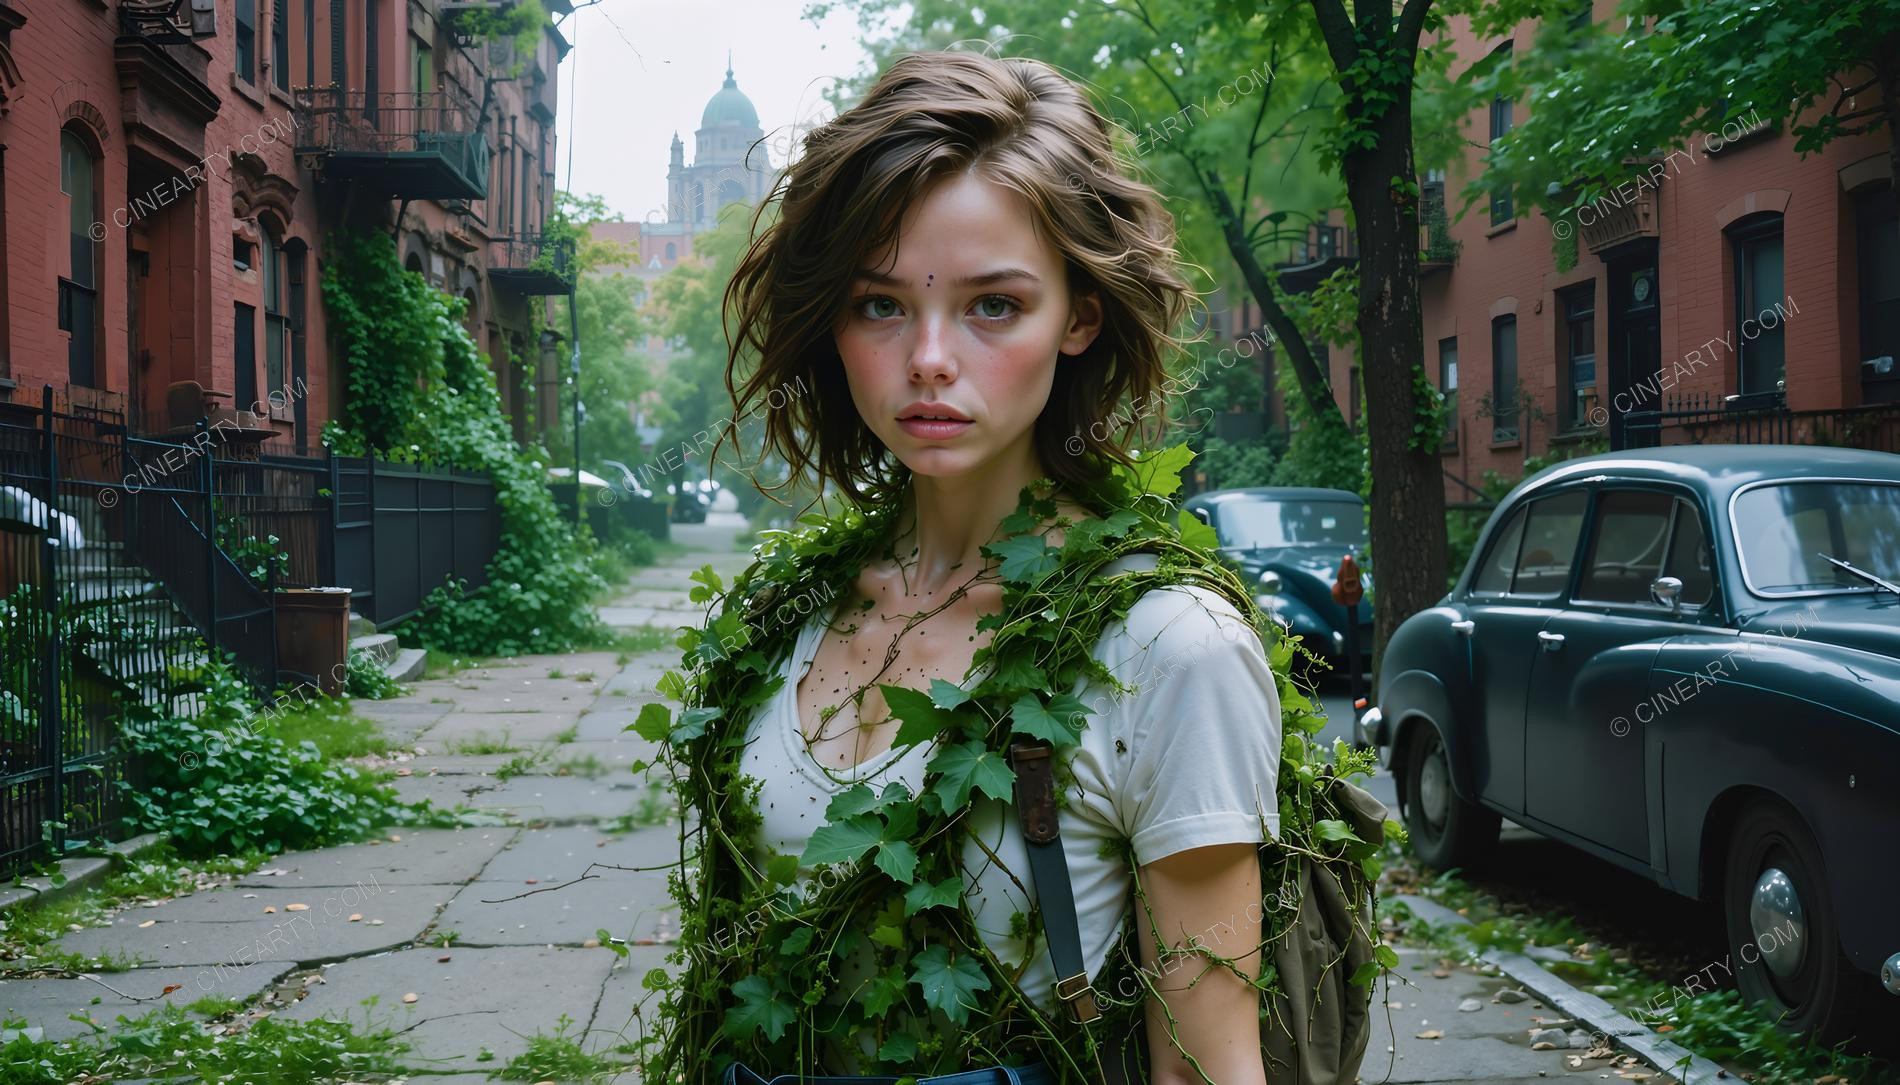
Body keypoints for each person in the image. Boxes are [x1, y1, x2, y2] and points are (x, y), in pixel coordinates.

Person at [644, 49, 1293, 1085]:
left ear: (1078, 315)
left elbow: (1207, 1068)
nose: (930, 358)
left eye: (993, 304)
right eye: (880, 304)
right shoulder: (790, 616)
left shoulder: (1169, 647)